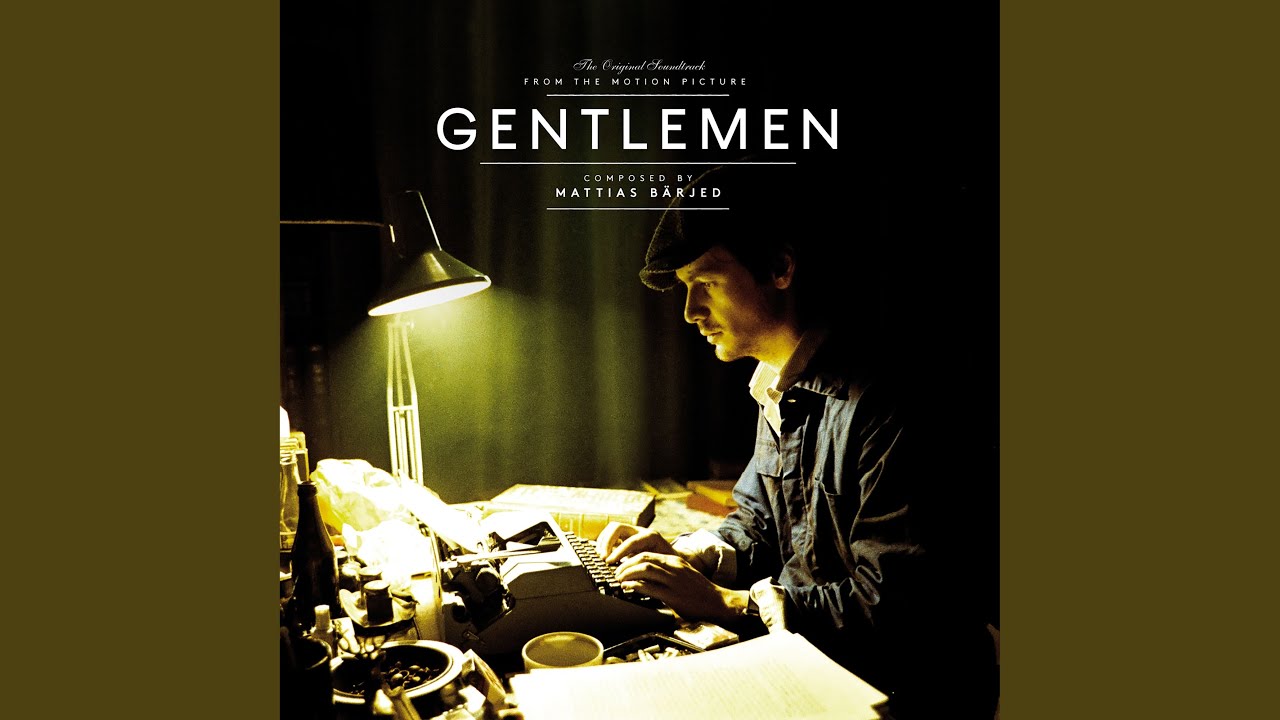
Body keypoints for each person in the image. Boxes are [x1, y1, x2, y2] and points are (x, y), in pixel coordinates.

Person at [596, 165, 998, 719]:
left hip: (900, 694)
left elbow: (898, 603)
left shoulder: (889, 401)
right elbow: (759, 522)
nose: (690, 312)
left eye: (706, 282)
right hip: (813, 665)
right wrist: (692, 555)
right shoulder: (778, 382)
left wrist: (729, 604)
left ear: (780, 267)